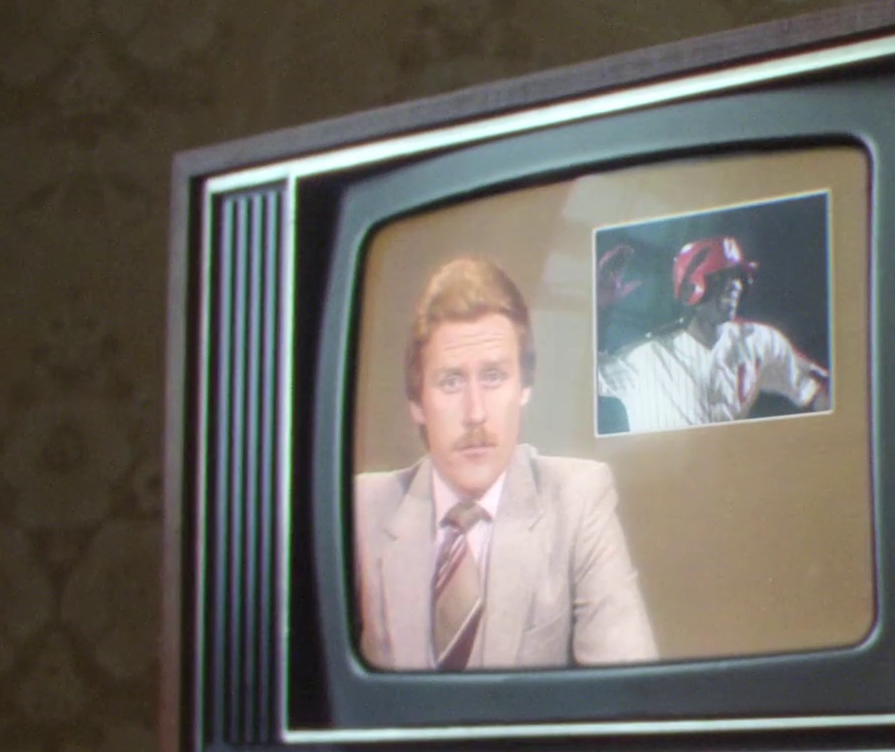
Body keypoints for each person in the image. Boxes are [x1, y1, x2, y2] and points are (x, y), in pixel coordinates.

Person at [352, 256, 657, 671]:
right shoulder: (362, 511)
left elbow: (629, 694)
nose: (475, 413)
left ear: (524, 388)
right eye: (451, 381)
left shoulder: (579, 500)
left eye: (494, 376)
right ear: (417, 403)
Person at [596, 236, 830, 433]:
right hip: (659, 472)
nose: (735, 285)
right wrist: (598, 308)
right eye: (722, 278)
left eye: (738, 276)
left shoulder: (758, 341)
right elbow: (586, 378)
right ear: (691, 287)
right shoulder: (646, 356)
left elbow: (818, 391)